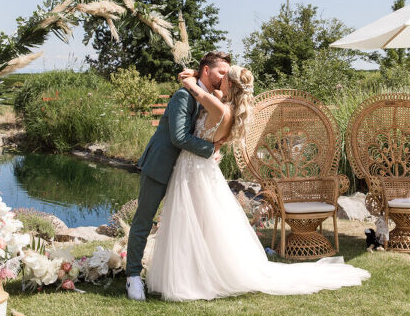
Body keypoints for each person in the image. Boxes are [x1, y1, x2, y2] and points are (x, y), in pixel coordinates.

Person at [144, 64, 370, 301]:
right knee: (201, 223)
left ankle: (193, 277)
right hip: (199, 169)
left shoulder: (219, 107)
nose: (219, 78)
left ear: (229, 84)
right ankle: (196, 271)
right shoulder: (228, 107)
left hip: (195, 169)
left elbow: (194, 90)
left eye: (224, 75)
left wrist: (189, 78)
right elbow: (212, 97)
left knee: (192, 220)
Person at [125, 51, 231, 301]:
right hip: (161, 165)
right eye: (221, 72)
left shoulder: (205, 93)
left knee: (186, 224)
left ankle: (185, 275)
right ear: (206, 70)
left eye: (226, 73)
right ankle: (132, 278)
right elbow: (179, 137)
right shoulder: (184, 95)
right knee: (144, 219)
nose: (223, 78)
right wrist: (211, 150)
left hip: (187, 172)